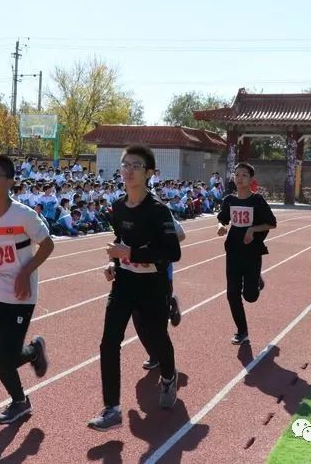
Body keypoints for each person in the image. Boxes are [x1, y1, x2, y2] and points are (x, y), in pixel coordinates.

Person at [88, 145, 182, 431]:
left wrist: (130, 253)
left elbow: (172, 252)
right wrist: (114, 265)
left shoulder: (158, 210)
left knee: (156, 337)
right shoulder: (116, 207)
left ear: (149, 173)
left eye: (135, 165)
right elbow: (120, 242)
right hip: (124, 283)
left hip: (152, 284)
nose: (128, 170)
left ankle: (168, 376)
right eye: (124, 164)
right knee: (108, 342)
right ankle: (111, 408)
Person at [0, 155, 54, 425]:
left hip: (21, 292)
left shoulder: (23, 215)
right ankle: (31, 358)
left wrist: (26, 272)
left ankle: (19, 398)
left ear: (10, 182)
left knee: (6, 354)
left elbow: (48, 244)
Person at [217, 162, 277, 345]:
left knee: (250, 296)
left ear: (251, 179)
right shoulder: (229, 200)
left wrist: (253, 229)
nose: (239, 178)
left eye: (244, 175)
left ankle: (256, 280)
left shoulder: (257, 201)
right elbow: (222, 219)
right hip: (233, 250)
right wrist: (220, 227)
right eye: (237, 174)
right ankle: (242, 331)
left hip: (252, 252)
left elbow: (272, 223)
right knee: (232, 294)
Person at [135, 214, 186, 371]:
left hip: (160, 272)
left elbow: (181, 235)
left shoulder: (161, 212)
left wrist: (158, 248)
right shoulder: (124, 209)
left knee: (157, 320)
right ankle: (153, 355)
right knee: (138, 317)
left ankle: (171, 303)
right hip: (135, 274)